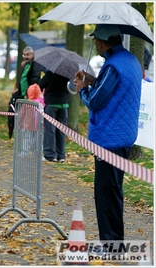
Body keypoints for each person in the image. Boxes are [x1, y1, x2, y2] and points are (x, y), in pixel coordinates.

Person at [74, 24, 142, 248]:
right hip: (122, 137)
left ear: (102, 42)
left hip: (108, 140)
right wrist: (93, 81)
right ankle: (115, 243)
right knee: (113, 191)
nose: (95, 44)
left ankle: (112, 245)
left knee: (106, 195)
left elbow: (95, 102)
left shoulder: (113, 66)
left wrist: (83, 88)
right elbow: (112, 89)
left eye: (95, 41)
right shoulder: (129, 60)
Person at [39, 70, 69, 162]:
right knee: (61, 131)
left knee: (50, 129)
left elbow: (40, 84)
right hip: (64, 105)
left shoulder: (50, 73)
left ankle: (50, 155)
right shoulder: (68, 74)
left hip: (52, 104)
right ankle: (61, 155)